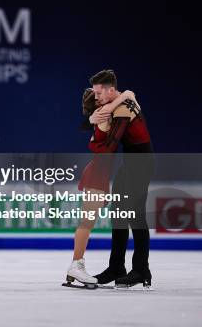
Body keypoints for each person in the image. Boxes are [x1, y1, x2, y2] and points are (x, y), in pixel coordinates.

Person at [87, 69, 154, 288]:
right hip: (131, 162)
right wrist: (94, 115)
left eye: (98, 93)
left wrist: (95, 121)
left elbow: (109, 146)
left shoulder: (123, 108)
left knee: (135, 215)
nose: (96, 97)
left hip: (140, 163)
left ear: (110, 89)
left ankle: (141, 269)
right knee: (119, 214)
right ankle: (117, 267)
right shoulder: (122, 101)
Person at [66, 87, 137, 286]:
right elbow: (116, 104)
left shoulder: (99, 117)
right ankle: (76, 265)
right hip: (97, 174)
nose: (103, 96)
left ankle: (75, 266)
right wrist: (126, 94)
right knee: (86, 223)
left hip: (99, 174)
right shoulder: (102, 116)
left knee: (87, 222)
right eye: (98, 96)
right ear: (97, 104)